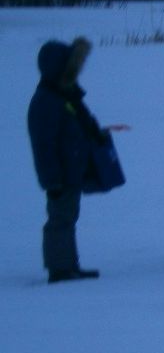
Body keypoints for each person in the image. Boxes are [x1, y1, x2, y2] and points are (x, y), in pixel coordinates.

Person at [27, 37, 108, 284]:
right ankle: (59, 269)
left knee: (68, 217)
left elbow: (79, 125)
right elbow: (44, 146)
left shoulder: (64, 96)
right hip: (60, 175)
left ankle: (68, 265)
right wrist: (52, 180)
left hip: (71, 170)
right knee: (60, 219)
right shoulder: (46, 101)